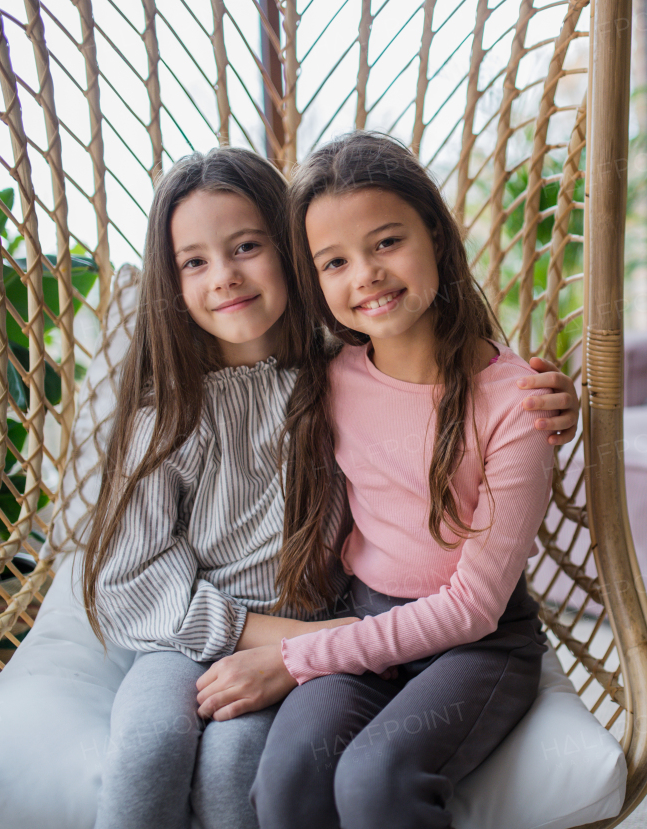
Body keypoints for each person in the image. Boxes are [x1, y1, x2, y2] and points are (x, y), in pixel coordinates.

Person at [82, 147, 580, 829]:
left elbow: (443, 375)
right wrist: (289, 643)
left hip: (374, 624)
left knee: (258, 767)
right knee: (171, 750)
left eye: (248, 246)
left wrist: (552, 395)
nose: (225, 276)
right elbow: (129, 579)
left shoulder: (327, 371)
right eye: (194, 261)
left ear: (289, 260)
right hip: (232, 630)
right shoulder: (202, 403)